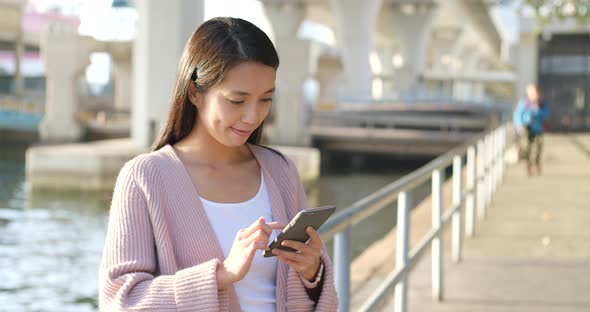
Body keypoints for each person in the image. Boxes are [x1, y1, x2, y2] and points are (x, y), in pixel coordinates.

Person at [99, 17, 338, 311]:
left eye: (265, 99)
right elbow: (120, 300)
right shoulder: (144, 178)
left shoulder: (281, 171)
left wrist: (311, 271)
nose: (253, 116)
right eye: (237, 101)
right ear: (194, 92)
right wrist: (221, 276)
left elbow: (309, 294)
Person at [513, 84, 550, 176]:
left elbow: (546, 115)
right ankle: (529, 167)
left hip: (538, 129)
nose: (533, 95)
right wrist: (519, 125)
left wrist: (537, 110)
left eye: (534, 92)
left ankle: (537, 163)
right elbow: (517, 115)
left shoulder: (542, 104)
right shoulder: (524, 103)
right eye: (531, 92)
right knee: (527, 148)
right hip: (527, 129)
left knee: (538, 148)